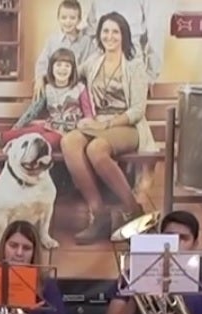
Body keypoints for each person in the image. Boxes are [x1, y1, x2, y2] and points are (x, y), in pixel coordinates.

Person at [65, 11, 155, 244]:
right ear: (99, 34)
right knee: (70, 141)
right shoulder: (93, 62)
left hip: (127, 125)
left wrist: (106, 123)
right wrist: (40, 78)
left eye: (115, 31)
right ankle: (100, 215)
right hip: (97, 123)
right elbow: (68, 74)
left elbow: (137, 110)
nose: (110, 36)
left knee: (96, 149)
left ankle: (133, 210)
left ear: (124, 35)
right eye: (105, 31)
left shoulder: (135, 66)